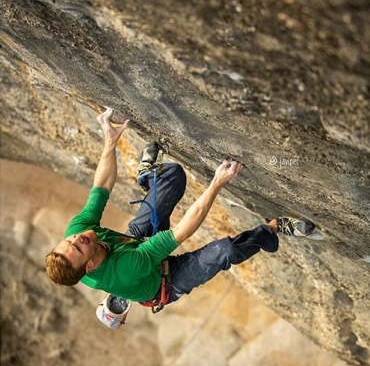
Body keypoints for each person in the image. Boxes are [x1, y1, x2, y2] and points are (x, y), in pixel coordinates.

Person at [45, 107, 315, 309]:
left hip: (135, 243)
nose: (78, 238)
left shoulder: (76, 237)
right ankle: (272, 229)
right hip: (167, 280)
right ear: (90, 265)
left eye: (69, 240)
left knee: (172, 175)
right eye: (79, 247)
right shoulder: (126, 268)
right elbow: (182, 231)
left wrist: (110, 141)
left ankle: (148, 177)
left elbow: (101, 186)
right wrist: (217, 183)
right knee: (225, 250)